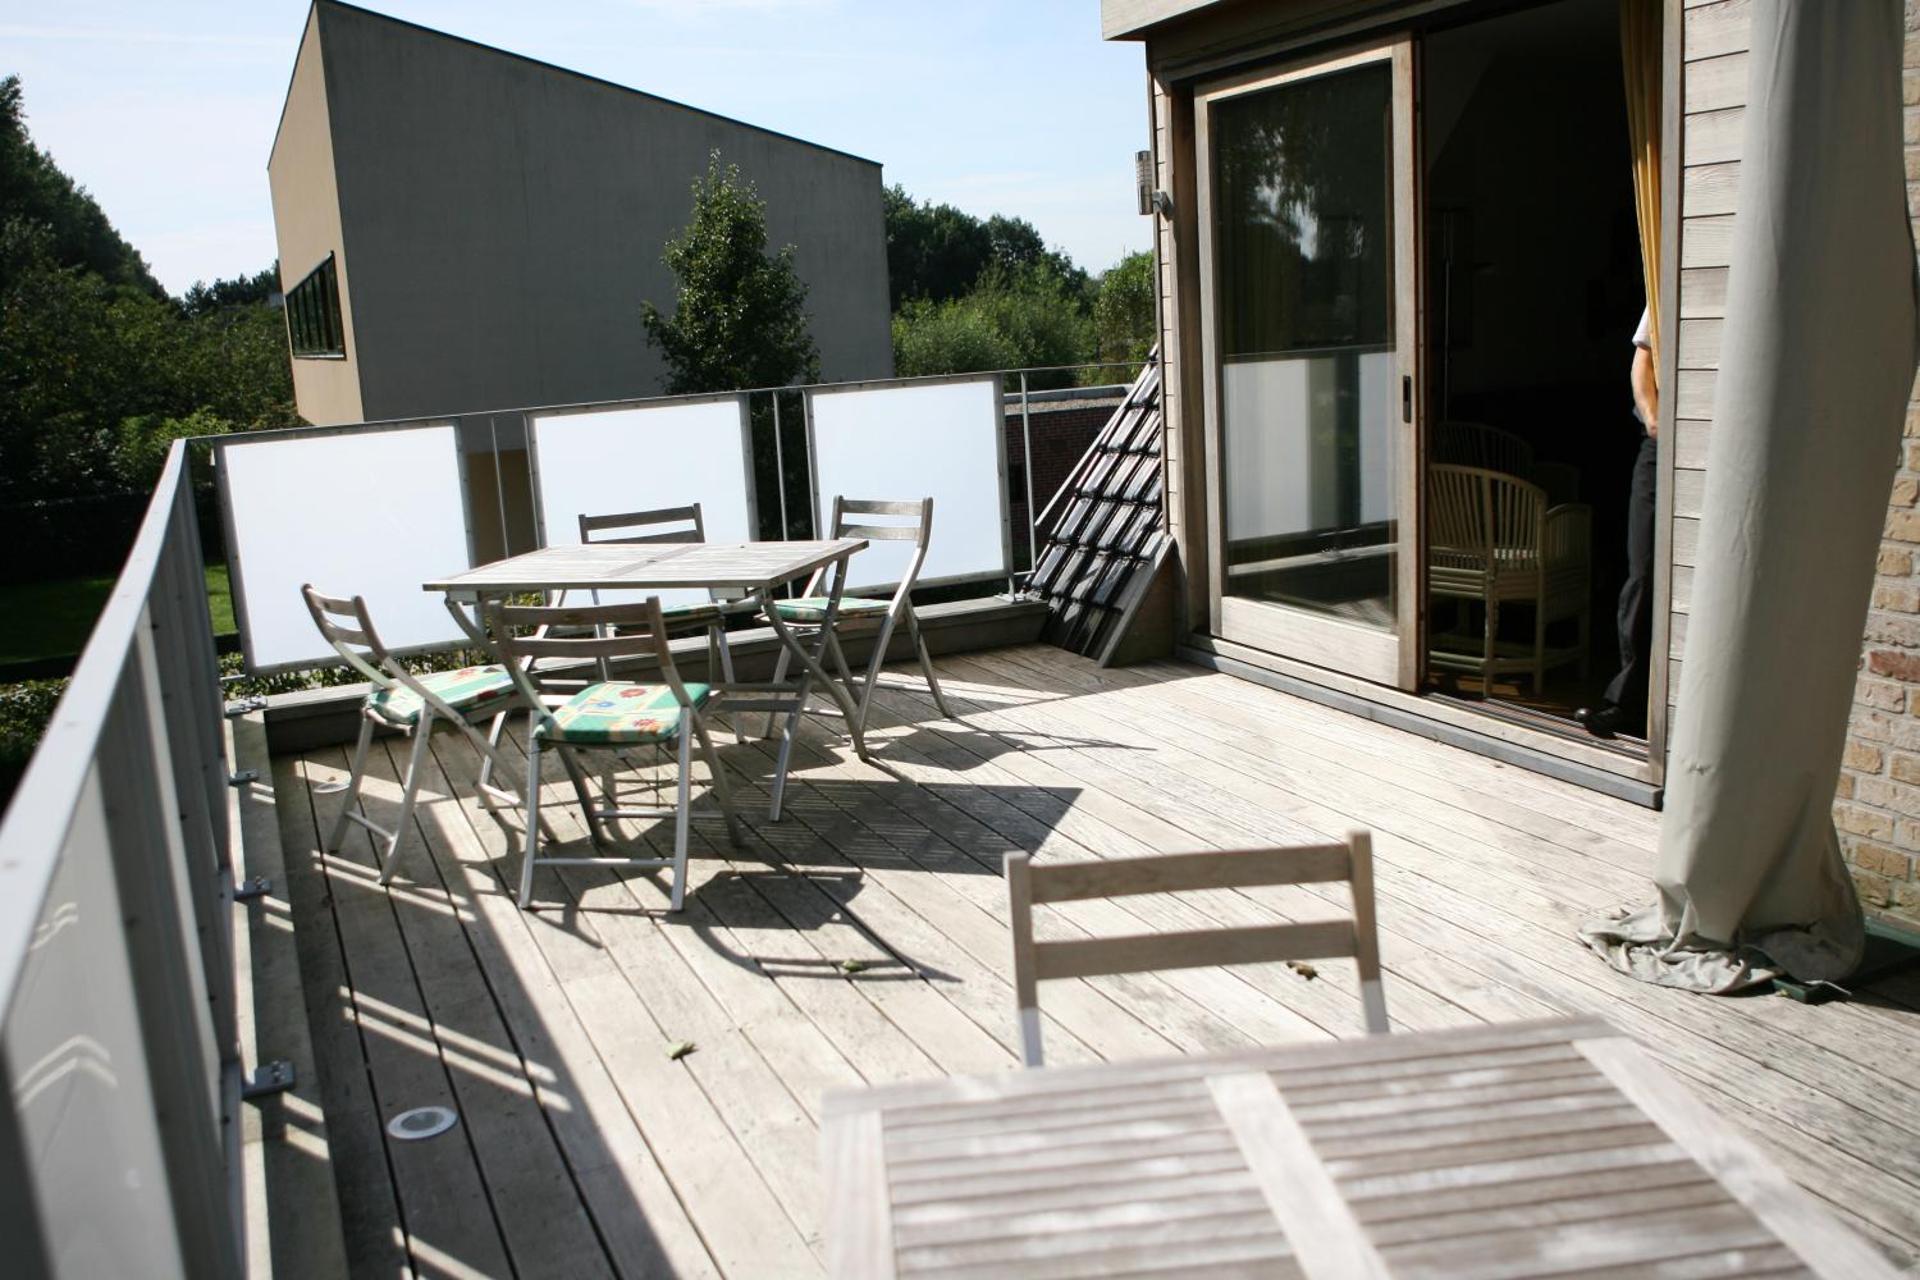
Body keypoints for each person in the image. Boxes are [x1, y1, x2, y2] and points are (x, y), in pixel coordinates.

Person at [1577, 307, 1657, 738]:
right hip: (1657, 444)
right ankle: (1624, 703)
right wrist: (1652, 417)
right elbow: (1642, 359)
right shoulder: (1661, 289)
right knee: (1642, 574)